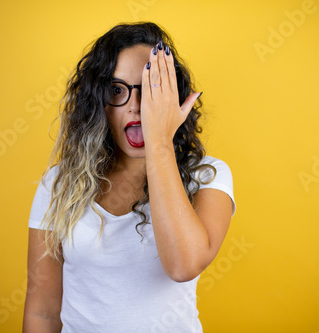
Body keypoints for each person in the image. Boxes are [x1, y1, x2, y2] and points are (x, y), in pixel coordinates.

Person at [23, 22, 235, 333]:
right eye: (117, 90)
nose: (136, 107)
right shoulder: (59, 183)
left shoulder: (206, 176)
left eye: (151, 89)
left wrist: (160, 141)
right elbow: (42, 311)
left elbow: (184, 265)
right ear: (98, 101)